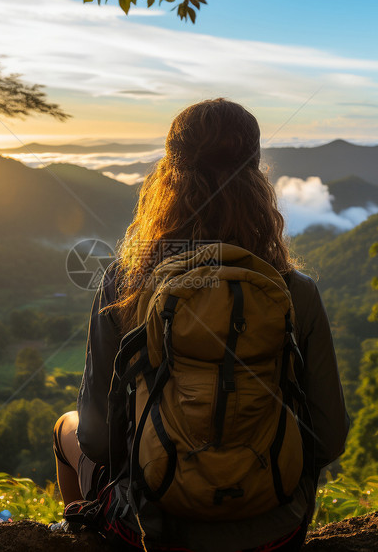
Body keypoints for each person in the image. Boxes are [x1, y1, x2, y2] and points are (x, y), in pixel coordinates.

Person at [53, 98, 349, 551]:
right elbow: (327, 440)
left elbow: (98, 441)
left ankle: (85, 539)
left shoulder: (126, 282)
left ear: (166, 179)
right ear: (256, 181)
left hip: (151, 532)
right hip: (273, 533)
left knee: (65, 427)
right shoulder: (294, 290)